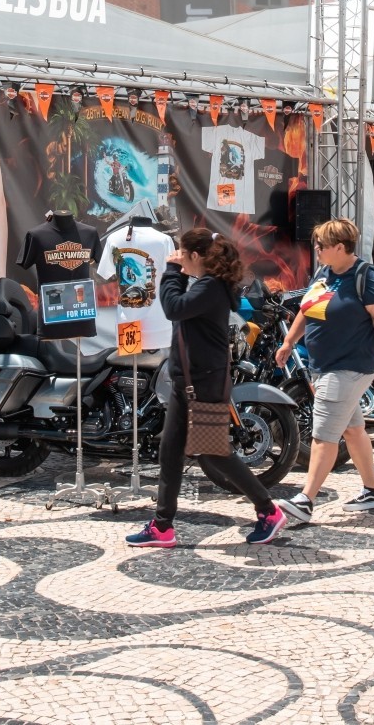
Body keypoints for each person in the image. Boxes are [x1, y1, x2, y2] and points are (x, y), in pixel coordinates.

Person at [127, 229, 286, 547]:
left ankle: (268, 511)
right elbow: (183, 307)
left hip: (204, 383)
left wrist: (170, 272)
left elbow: (174, 307)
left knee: (214, 454)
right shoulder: (206, 285)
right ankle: (162, 526)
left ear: (195, 257)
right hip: (187, 383)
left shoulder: (212, 287)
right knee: (170, 451)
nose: (178, 258)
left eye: (181, 253)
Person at [275, 218, 374, 525]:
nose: (315, 249)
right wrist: (289, 341)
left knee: (323, 434)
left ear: (340, 247)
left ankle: (305, 500)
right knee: (353, 430)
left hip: (350, 367)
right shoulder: (325, 273)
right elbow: (307, 310)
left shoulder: (369, 279)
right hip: (324, 368)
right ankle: (372, 491)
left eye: (321, 245)